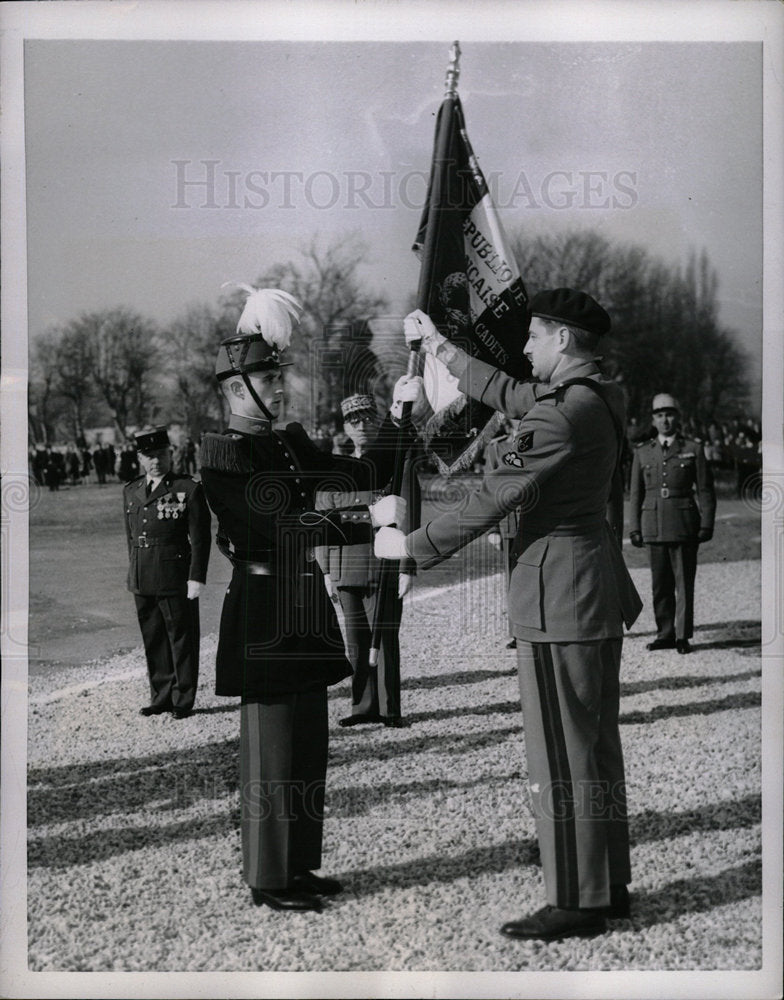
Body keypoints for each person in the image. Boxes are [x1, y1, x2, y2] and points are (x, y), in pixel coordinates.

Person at [376, 289, 643, 941]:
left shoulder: (560, 417)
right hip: (590, 589)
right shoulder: (595, 397)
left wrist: (408, 548)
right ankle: (607, 882)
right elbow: (503, 390)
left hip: (557, 597)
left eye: (532, 336)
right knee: (595, 746)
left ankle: (576, 900)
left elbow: (490, 501)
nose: (525, 347)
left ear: (560, 340)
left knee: (560, 754)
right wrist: (439, 347)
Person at [198, 285, 422, 914]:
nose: (279, 387)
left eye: (278, 375)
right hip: (265, 605)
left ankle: (298, 864)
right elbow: (278, 526)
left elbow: (356, 474)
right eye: (268, 378)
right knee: (270, 751)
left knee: (306, 744)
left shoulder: (287, 441)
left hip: (300, 601)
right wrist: (362, 524)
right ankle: (267, 875)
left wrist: (399, 424)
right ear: (237, 388)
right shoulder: (221, 454)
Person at [316, 393, 421, 728]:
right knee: (356, 642)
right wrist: (325, 569)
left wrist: (408, 565)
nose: (361, 425)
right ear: (345, 426)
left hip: (383, 562)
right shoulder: (335, 467)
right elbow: (322, 518)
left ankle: (390, 709)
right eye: (354, 420)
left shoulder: (397, 459)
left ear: (377, 421)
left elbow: (411, 512)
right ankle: (363, 706)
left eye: (367, 418)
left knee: (385, 638)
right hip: (346, 563)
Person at [124, 425, 211, 719]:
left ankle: (182, 699)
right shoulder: (132, 490)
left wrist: (196, 577)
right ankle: (160, 696)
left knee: (181, 638)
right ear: (139, 458)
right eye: (148, 456)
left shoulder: (187, 489)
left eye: (160, 454)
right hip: (142, 576)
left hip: (175, 576)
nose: (155, 461)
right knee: (154, 639)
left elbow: (200, 538)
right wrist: (134, 572)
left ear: (170, 454)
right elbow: (131, 538)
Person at [629, 393, 716, 654]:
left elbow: (705, 490)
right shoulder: (643, 452)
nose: (664, 420)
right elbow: (636, 493)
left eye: (669, 414)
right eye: (659, 415)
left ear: (677, 417)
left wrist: (707, 523)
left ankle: (682, 635)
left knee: (684, 582)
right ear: (653, 420)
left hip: (684, 522)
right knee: (660, 584)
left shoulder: (693, 449)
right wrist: (634, 527)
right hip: (653, 524)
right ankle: (665, 633)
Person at [482, 418, 521, 649]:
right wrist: (493, 529)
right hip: (510, 524)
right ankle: (517, 632)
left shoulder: (541, 440)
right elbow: (490, 491)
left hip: (539, 522)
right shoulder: (497, 448)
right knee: (514, 579)